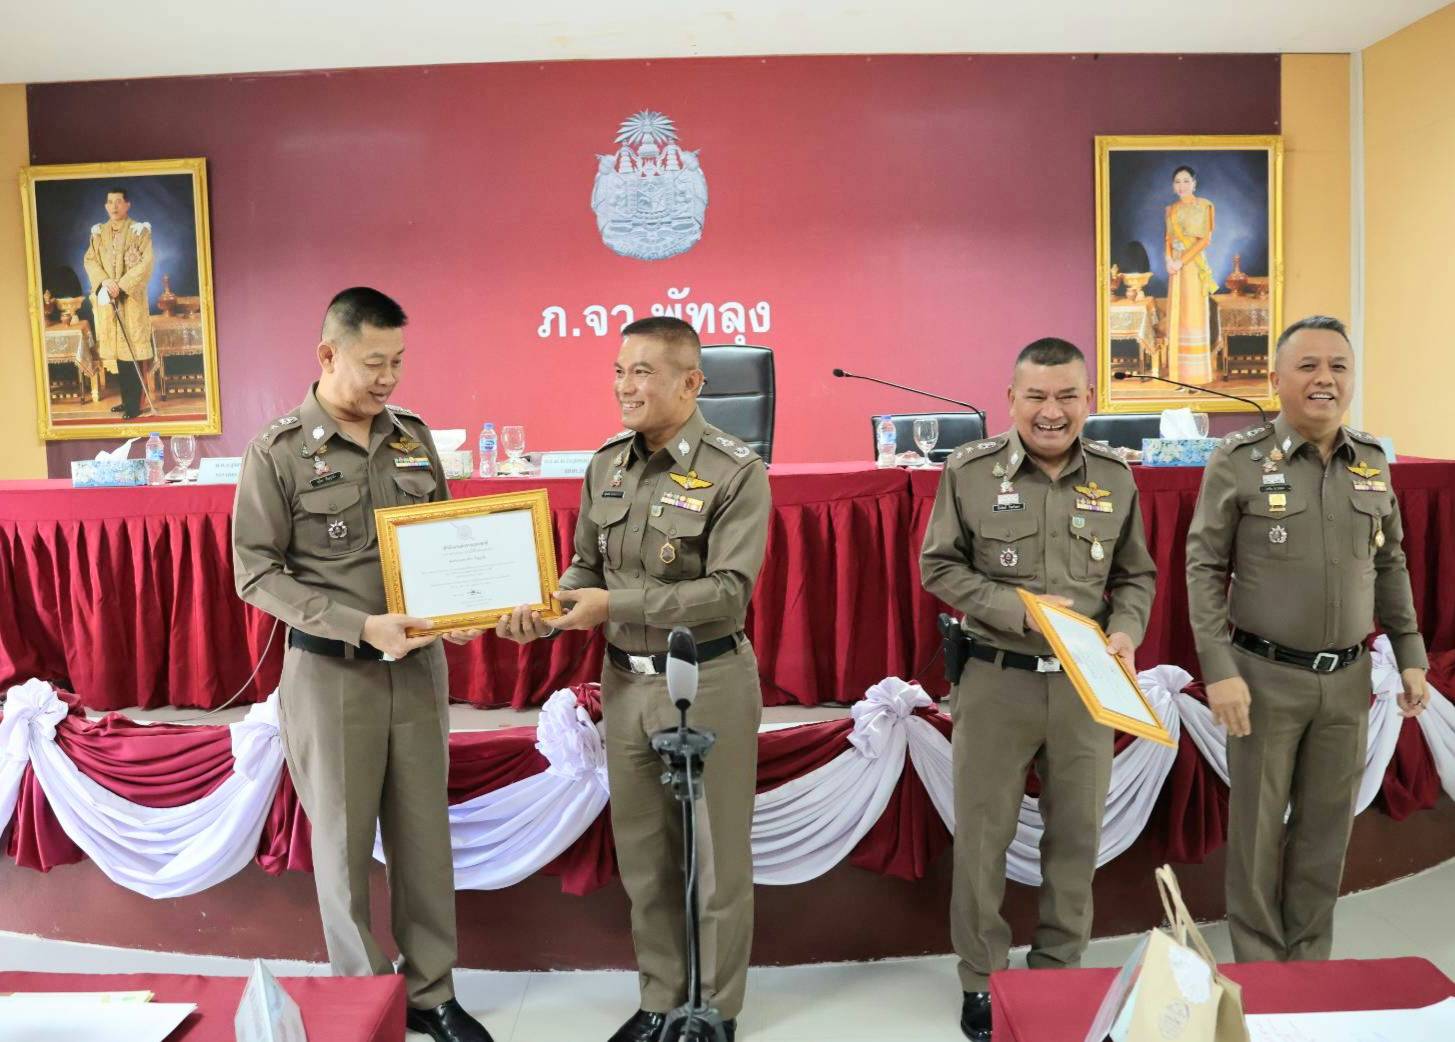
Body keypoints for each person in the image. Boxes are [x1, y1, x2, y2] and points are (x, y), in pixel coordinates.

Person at [496, 316, 770, 1042]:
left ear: (691, 382)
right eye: (619, 371)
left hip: (706, 676)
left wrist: (610, 605)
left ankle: (713, 1011)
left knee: (716, 861)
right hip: (623, 682)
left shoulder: (735, 470)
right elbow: (584, 567)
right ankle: (659, 998)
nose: (625, 386)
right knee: (645, 856)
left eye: (643, 372)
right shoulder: (606, 465)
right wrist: (547, 612)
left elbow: (727, 592)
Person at [232, 287, 494, 1042]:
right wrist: (358, 625)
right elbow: (255, 572)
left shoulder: (412, 438)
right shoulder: (278, 450)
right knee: (342, 847)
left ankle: (432, 993)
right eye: (374, 362)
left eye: (398, 362)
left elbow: (448, 538)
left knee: (423, 840)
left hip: (416, 670)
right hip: (331, 675)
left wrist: (465, 609)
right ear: (328, 354)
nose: (389, 378)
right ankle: (364, 997)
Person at [920, 337, 1157, 1041]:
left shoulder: (1114, 475)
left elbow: (1135, 576)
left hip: (1086, 685)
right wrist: (1015, 609)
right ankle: (981, 978)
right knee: (983, 839)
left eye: (1066, 396)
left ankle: (1059, 970)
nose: (1051, 412)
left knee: (1076, 837)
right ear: (1011, 399)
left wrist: (1126, 630)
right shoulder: (968, 472)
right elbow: (939, 567)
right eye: (1036, 397)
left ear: (1088, 399)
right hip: (997, 679)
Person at [1185, 314, 1429, 964]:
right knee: (1258, 834)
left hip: (1347, 680)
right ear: (1275, 379)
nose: (1325, 379)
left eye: (1338, 366)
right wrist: (1218, 668)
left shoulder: (1370, 462)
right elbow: (1203, 567)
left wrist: (1409, 654)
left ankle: (1309, 967)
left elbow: (1390, 562)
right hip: (1262, 677)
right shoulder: (1237, 461)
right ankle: (1262, 973)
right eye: (1308, 366)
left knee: (1325, 835)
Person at [82, 187, 155, 419]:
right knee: (119, 354)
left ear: (127, 204)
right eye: (110, 202)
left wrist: (120, 286)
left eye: (119, 202)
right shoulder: (98, 233)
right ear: (106, 206)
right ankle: (127, 400)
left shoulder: (139, 231)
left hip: (130, 300)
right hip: (109, 298)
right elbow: (90, 260)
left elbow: (146, 262)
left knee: (131, 352)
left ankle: (135, 405)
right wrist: (105, 282)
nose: (114, 206)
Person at [1164, 165, 1218, 386]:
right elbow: (1168, 239)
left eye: (1186, 181)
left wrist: (1180, 261)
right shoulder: (1170, 209)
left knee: (1193, 315)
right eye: (1177, 181)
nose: (1182, 185)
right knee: (1178, 317)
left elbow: (1205, 240)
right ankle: (1180, 377)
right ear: (1173, 185)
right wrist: (1168, 260)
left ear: (1194, 183)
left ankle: (1196, 378)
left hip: (1193, 266)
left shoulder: (1205, 206)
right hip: (1175, 269)